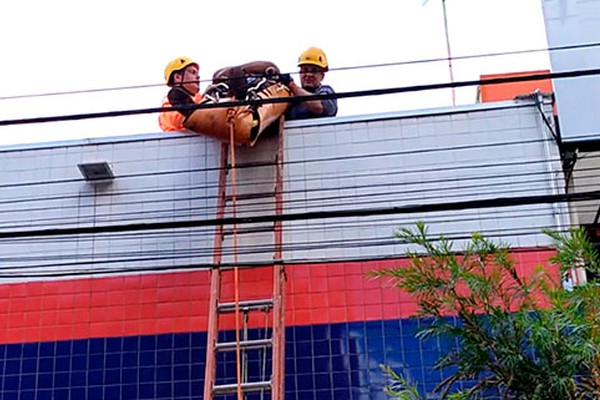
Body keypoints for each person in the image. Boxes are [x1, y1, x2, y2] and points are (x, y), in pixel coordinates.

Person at [283, 47, 338, 121]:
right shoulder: (290, 95)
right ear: (299, 73)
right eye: (305, 70)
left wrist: (292, 85)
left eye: (314, 71)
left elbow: (318, 107)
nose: (309, 74)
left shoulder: (326, 91)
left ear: (322, 76)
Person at [159, 56, 204, 132]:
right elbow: (178, 120)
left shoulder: (199, 98)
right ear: (177, 77)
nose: (198, 77)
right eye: (192, 72)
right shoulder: (169, 103)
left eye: (197, 73)